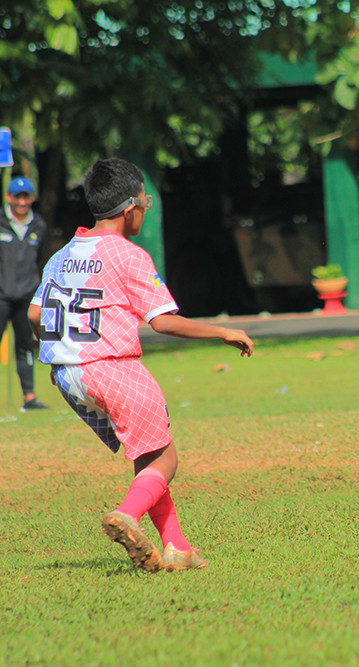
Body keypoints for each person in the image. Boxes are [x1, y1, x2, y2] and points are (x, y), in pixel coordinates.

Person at [27, 158, 254, 572]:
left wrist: (64, 350)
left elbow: (34, 314)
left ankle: (177, 547)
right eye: (145, 204)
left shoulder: (62, 255)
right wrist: (222, 332)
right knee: (166, 460)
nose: (145, 212)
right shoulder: (129, 255)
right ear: (130, 208)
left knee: (147, 453)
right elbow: (162, 321)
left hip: (69, 376)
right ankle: (127, 514)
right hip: (114, 368)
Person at [1, 176, 49, 411]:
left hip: (26, 296)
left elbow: (40, 260)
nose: (21, 202)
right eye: (17, 197)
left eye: (26, 197)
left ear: (32, 198)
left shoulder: (39, 225)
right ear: (9, 197)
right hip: (1, 295)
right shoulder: (1, 221)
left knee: (25, 347)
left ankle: (29, 396)